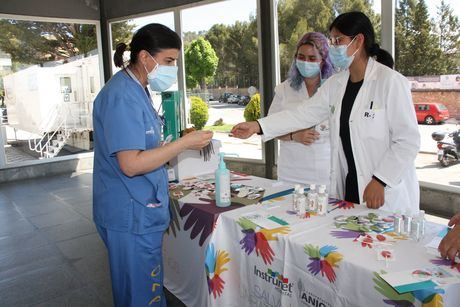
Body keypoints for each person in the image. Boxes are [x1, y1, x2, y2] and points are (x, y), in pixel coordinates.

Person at [231, 11, 420, 214]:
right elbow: (303, 114)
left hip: (383, 190)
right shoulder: (336, 84)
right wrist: (258, 126)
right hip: (348, 187)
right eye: (332, 41)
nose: (333, 47)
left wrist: (381, 179)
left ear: (358, 41)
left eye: (338, 40)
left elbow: (407, 140)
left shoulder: (390, 82)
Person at [92, 24, 213, 307]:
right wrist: (183, 145)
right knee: (141, 295)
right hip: (130, 213)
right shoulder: (121, 95)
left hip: (139, 209)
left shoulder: (138, 89)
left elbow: (143, 147)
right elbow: (131, 164)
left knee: (143, 289)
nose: (173, 68)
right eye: (169, 61)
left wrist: (176, 142)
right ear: (146, 58)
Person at [268, 32, 333, 187]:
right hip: (291, 172)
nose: (305, 62)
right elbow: (271, 127)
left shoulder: (334, 88)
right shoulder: (284, 89)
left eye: (312, 58)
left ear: (323, 61)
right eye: (301, 57)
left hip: (325, 172)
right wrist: (294, 136)